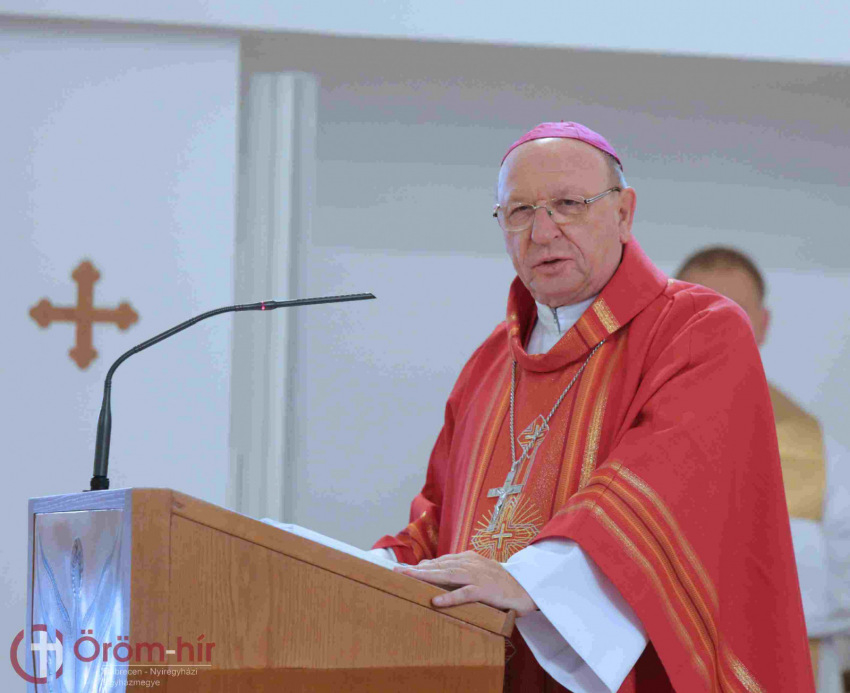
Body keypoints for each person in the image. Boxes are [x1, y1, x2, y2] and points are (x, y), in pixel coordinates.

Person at [369, 122, 814, 692]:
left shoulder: (698, 329)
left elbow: (662, 488)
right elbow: (436, 520)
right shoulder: (488, 365)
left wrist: (532, 582)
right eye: (520, 211)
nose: (542, 231)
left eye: (568, 205)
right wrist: (369, 570)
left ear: (624, 213)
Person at [676, 247, 850, 693]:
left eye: (734, 313)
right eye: (700, 310)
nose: (716, 327)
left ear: (763, 324)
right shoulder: (627, 424)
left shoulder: (818, 451)